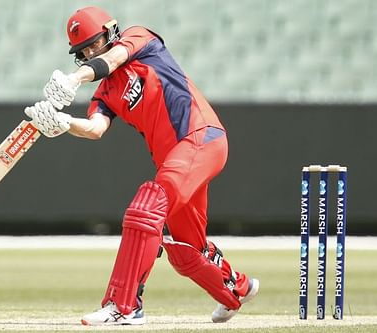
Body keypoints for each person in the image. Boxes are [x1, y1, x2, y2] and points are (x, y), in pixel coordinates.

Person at [24, 6, 259, 326]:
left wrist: (75, 78)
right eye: (84, 51)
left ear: (110, 32)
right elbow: (95, 129)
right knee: (185, 250)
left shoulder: (140, 39)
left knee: (146, 207)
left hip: (200, 138)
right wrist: (64, 123)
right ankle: (237, 288)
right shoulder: (106, 92)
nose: (91, 51)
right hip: (176, 159)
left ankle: (124, 305)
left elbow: (112, 60)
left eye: (94, 43)